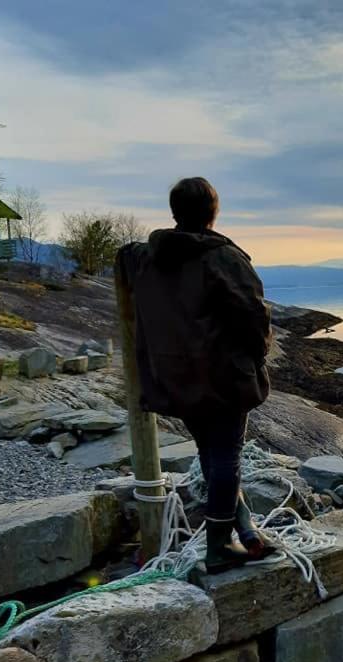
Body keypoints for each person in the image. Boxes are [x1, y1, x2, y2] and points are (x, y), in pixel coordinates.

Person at [116, 177, 274, 573]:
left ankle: (247, 531)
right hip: (223, 378)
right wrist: (257, 357)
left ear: (174, 213)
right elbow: (255, 318)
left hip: (174, 378)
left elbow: (126, 255)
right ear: (213, 213)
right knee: (225, 457)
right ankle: (219, 547)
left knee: (210, 453)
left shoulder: (148, 258)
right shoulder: (223, 258)